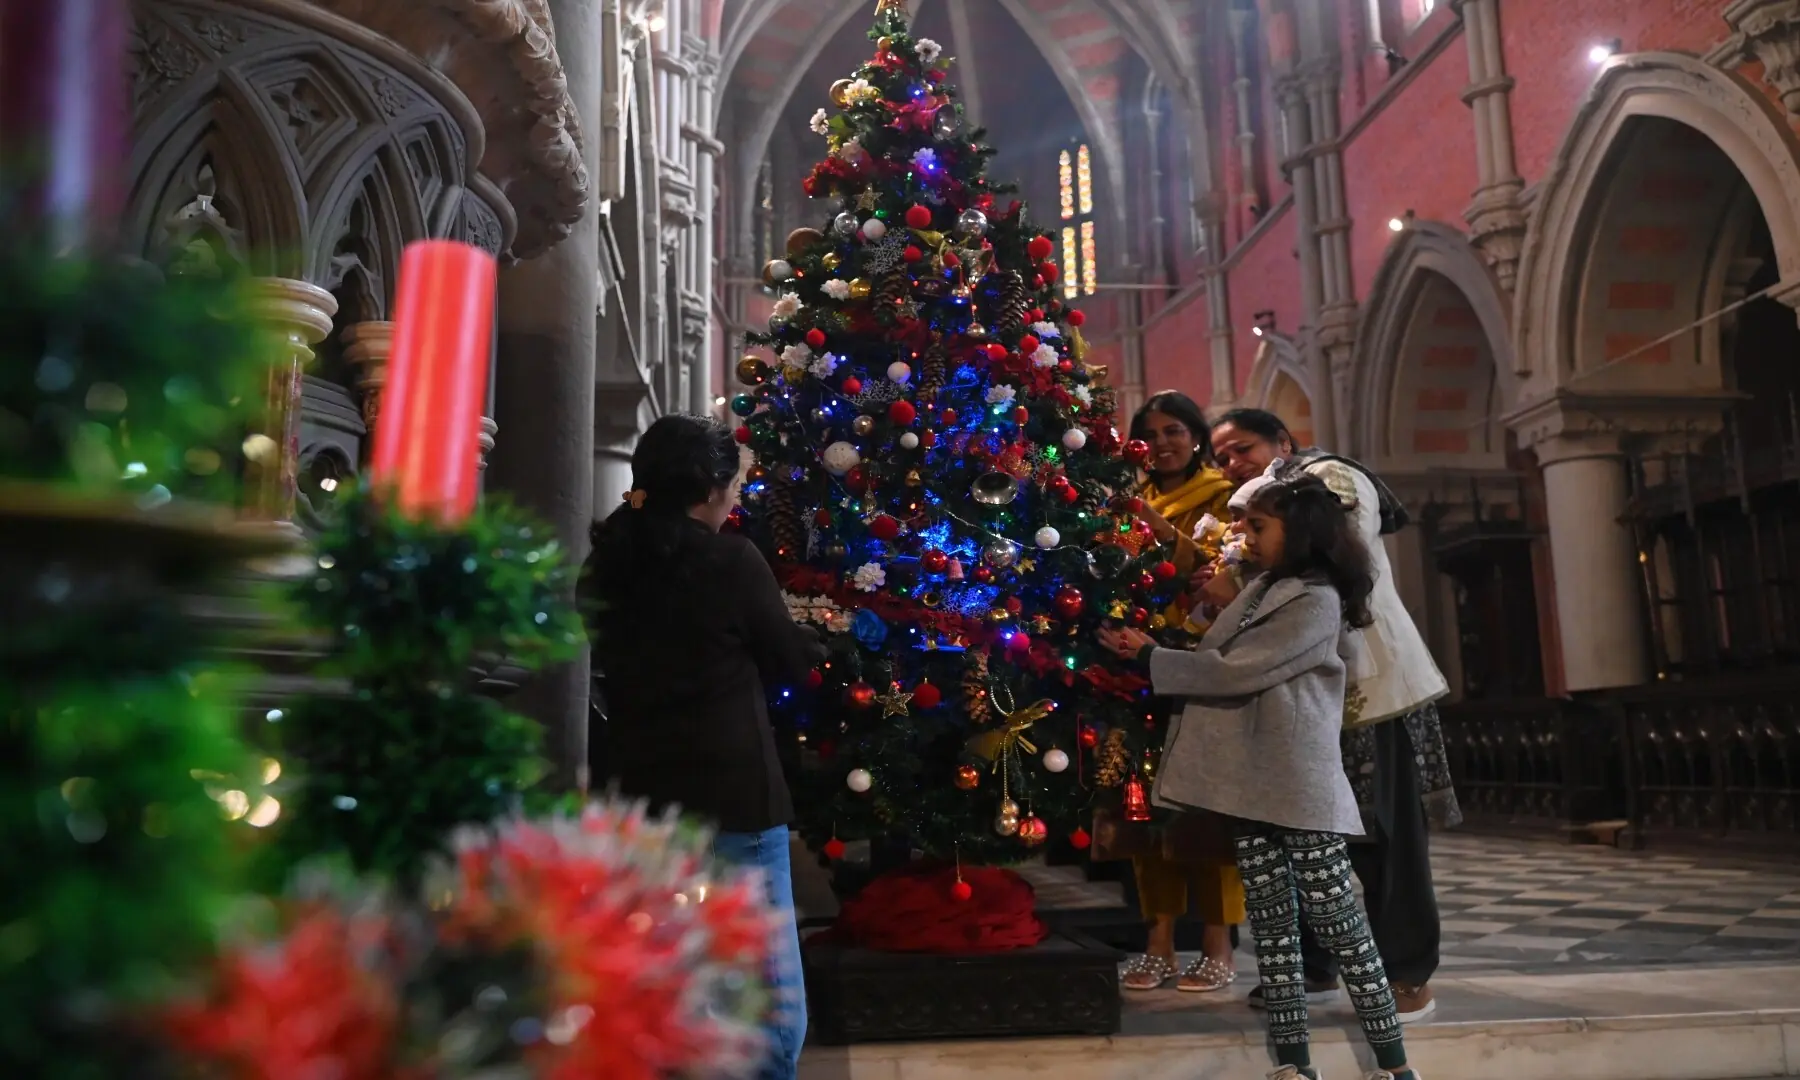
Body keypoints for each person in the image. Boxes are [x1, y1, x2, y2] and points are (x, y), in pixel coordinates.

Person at [1100, 474, 1419, 1080]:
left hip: (1294, 781)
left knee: (1340, 925)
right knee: (1273, 930)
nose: (1246, 536)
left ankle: (1396, 1066)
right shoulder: (1268, 585)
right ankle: (1294, 1066)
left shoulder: (1315, 597)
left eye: (1258, 526)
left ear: (1298, 531)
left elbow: (1235, 670)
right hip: (1254, 779)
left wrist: (1148, 656)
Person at [585, 414, 827, 1080]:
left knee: (678, 978)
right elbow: (791, 663)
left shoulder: (609, 559)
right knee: (771, 1011)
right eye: (736, 484)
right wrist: (820, 639)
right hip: (732, 794)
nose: (739, 497)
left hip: (644, 791)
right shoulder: (729, 559)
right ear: (709, 487)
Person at [1208, 408, 1460, 1023]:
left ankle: (1406, 976)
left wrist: (1238, 566)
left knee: (1386, 837)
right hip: (1301, 692)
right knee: (1303, 830)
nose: (1231, 463)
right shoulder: (1259, 507)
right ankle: (1316, 967)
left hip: (1371, 687)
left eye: (1241, 448)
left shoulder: (1332, 477)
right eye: (1221, 459)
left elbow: (1328, 549)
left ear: (1282, 443)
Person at [1115, 391, 1245, 993]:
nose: (1162, 443)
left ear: (1195, 435)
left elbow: (1226, 579)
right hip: (1134, 662)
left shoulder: (1226, 497)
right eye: (1149, 433)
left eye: (1173, 430)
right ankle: (1158, 941)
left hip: (1201, 664)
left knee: (1207, 809)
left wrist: (1164, 532)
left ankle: (1217, 945)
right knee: (1143, 809)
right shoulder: (1127, 500)